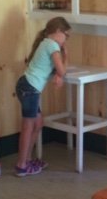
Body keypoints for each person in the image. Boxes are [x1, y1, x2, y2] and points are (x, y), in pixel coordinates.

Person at [15, 16, 71, 177]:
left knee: (37, 123)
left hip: (27, 86)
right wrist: (65, 55)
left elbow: (54, 70)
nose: (65, 40)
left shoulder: (46, 43)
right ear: (59, 31)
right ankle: (22, 165)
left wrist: (59, 74)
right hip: (30, 88)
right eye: (66, 36)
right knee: (28, 126)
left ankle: (27, 159)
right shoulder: (52, 45)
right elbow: (61, 70)